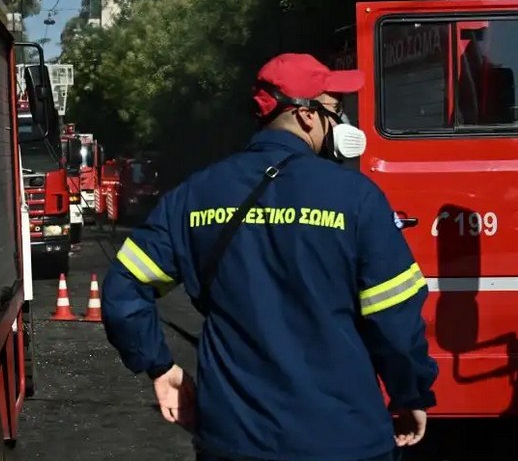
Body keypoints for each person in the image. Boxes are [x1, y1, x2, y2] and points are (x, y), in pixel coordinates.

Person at [101, 52, 439, 461]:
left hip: (235, 439)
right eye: (336, 109)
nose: (341, 121)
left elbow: (123, 289)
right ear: (306, 116)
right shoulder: (356, 197)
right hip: (345, 437)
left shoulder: (195, 195)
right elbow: (395, 319)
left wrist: (161, 367)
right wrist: (409, 392)